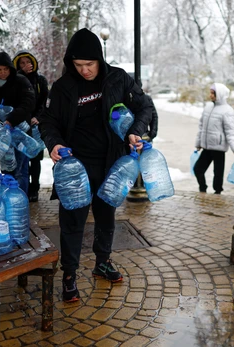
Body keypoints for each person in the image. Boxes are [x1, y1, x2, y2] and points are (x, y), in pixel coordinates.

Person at [39, 28, 153, 303]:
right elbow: (48, 121)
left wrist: (136, 131)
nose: (85, 70)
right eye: (78, 65)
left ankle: (102, 261)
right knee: (73, 220)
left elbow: (145, 107)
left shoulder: (118, 79)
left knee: (106, 214)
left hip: (111, 162)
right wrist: (53, 143)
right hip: (75, 165)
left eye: (90, 64)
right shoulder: (63, 87)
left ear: (100, 60)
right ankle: (69, 274)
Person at [0, 52, 35, 194]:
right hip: (0, 137)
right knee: (7, 169)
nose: (3, 73)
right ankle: (9, 199)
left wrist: (11, 120)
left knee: (20, 170)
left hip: (20, 134)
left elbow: (28, 103)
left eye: (6, 69)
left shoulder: (21, 81)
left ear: (10, 68)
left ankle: (20, 199)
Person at [12, 50, 49, 202]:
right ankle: (23, 188)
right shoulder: (15, 81)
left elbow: (44, 102)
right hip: (20, 124)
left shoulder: (40, 80)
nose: (27, 65)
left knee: (35, 159)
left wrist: (38, 117)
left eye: (29, 62)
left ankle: (34, 188)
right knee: (21, 159)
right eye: (22, 63)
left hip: (35, 125)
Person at [194, 83, 234, 194]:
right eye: (210, 93)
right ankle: (202, 188)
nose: (210, 95)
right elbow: (201, 126)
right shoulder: (208, 107)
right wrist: (198, 142)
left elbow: (230, 131)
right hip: (206, 147)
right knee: (198, 169)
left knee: (218, 174)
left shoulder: (227, 110)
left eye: (213, 93)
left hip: (219, 148)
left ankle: (218, 194)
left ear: (219, 94)